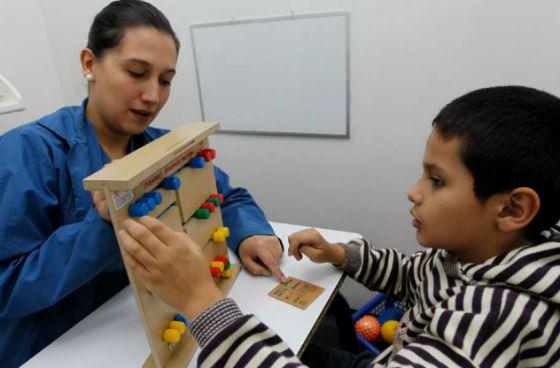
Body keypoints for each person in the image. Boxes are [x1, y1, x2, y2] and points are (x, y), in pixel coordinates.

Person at [120, 85, 560, 367]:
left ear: (513, 209)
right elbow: (413, 274)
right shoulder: (478, 253)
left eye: (437, 181)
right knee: (293, 344)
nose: (415, 192)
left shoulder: (496, 315)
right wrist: (342, 255)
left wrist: (201, 302)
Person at [0, 1, 285, 367]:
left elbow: (227, 196)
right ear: (90, 64)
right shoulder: (28, 151)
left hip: (149, 328)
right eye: (137, 73)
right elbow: (7, 287)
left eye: (165, 80)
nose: (153, 96)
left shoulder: (160, 147)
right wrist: (104, 226)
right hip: (57, 347)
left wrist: (250, 233)